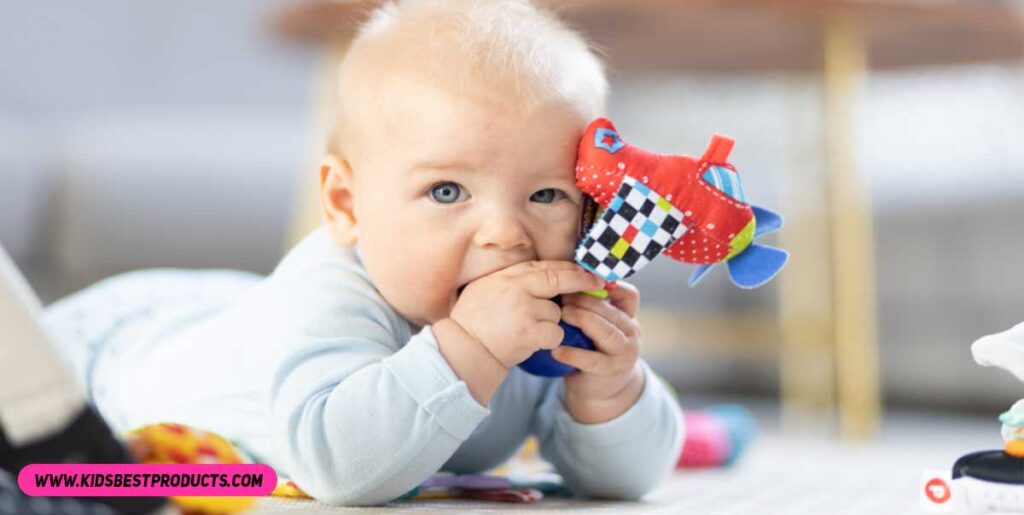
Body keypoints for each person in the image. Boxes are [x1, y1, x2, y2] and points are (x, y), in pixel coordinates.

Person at [45, 0, 684, 505]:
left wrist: (610, 391)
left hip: (234, 307)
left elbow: (622, 483)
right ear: (347, 205)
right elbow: (341, 471)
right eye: (447, 190)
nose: (506, 234)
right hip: (109, 354)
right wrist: (474, 350)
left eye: (547, 193)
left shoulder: (541, 319)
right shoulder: (334, 293)